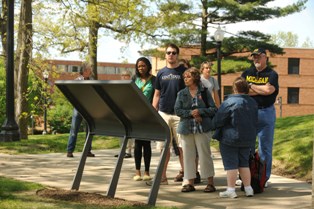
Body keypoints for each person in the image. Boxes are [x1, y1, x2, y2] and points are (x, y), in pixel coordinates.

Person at [211, 77, 258, 198]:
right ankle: (248, 188)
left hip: (230, 138)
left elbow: (219, 119)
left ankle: (231, 190)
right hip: (247, 138)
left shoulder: (229, 102)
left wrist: (213, 126)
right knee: (244, 164)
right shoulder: (253, 103)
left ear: (234, 88)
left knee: (231, 164)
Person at [174, 67, 217, 193]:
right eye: (184, 77)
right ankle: (190, 183)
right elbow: (178, 110)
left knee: (205, 155)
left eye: (188, 77)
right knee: (188, 156)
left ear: (195, 78)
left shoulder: (204, 92)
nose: (185, 79)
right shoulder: (181, 93)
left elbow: (213, 109)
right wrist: (191, 113)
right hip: (186, 129)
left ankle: (210, 183)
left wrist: (201, 111)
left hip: (202, 128)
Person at [241, 48, 279, 186]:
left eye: (258, 57)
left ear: (265, 57)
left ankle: (264, 178)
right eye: (254, 57)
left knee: (265, 148)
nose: (255, 59)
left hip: (266, 112)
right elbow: (242, 91)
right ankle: (247, 177)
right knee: (247, 146)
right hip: (248, 113)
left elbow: (269, 91)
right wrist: (261, 88)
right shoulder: (246, 73)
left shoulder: (272, 74)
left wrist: (251, 86)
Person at [151, 43, 186, 185]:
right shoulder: (160, 73)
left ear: (177, 55)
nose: (171, 55)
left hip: (180, 115)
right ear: (165, 55)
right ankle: (162, 177)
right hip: (164, 113)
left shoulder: (184, 71)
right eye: (168, 53)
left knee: (182, 147)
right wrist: (154, 113)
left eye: (173, 53)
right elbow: (157, 94)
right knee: (164, 147)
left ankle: (187, 177)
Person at [132, 57, 156, 181]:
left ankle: (147, 172)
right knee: (137, 143)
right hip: (136, 114)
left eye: (143, 65)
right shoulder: (134, 79)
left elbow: (157, 95)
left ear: (148, 66)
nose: (141, 68)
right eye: (139, 66)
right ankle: (137, 172)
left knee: (146, 143)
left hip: (148, 115)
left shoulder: (154, 80)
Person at [67, 62, 95, 158]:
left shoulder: (92, 80)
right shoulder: (77, 81)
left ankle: (87, 151)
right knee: (74, 130)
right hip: (78, 109)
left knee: (89, 131)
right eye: (89, 69)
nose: (91, 70)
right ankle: (69, 151)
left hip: (88, 108)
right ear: (85, 70)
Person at [114, 70, 134, 158]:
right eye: (122, 75)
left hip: (130, 111)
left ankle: (128, 151)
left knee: (129, 132)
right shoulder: (119, 86)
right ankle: (122, 150)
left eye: (125, 75)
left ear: (129, 76)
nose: (123, 77)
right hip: (120, 111)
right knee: (121, 132)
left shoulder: (132, 86)